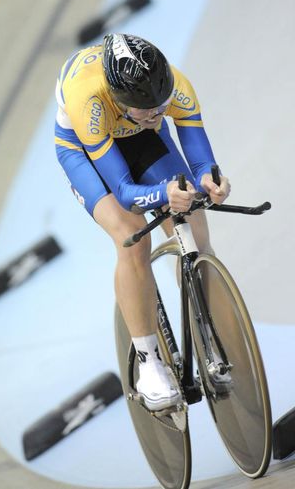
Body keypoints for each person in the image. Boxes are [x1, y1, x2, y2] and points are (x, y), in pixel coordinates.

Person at [55, 33, 230, 411]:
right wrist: (164, 193)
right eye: (145, 109)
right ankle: (149, 364)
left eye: (159, 107)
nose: (156, 114)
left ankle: (215, 332)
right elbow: (123, 192)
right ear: (120, 101)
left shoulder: (175, 86)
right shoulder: (90, 101)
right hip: (85, 151)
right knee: (131, 236)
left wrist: (209, 180)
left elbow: (201, 162)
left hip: (140, 139)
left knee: (193, 223)